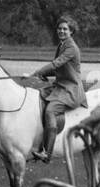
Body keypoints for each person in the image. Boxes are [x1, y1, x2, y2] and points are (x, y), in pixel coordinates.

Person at [30, 15, 87, 162]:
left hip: (71, 89)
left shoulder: (71, 48)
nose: (61, 31)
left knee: (50, 111)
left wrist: (38, 72)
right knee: (37, 96)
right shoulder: (62, 45)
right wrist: (41, 75)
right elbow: (57, 69)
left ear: (71, 31)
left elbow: (56, 64)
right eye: (59, 29)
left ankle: (46, 153)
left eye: (65, 29)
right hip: (60, 86)